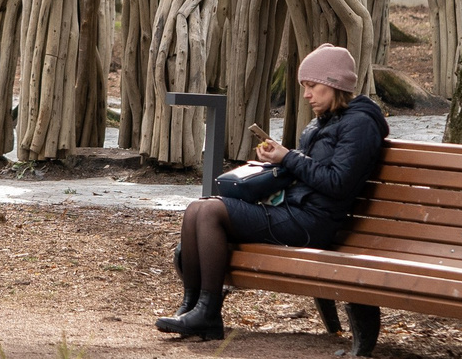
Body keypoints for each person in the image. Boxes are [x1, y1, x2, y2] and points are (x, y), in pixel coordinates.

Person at [156, 43, 388, 341]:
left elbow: (338, 182)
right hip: (293, 211)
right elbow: (306, 168)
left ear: (334, 84)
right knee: (197, 208)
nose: (307, 95)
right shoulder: (324, 122)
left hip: (313, 222)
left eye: (313, 86)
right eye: (305, 86)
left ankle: (207, 313)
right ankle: (191, 308)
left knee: (211, 211)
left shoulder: (359, 125)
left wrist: (288, 158)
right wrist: (277, 160)